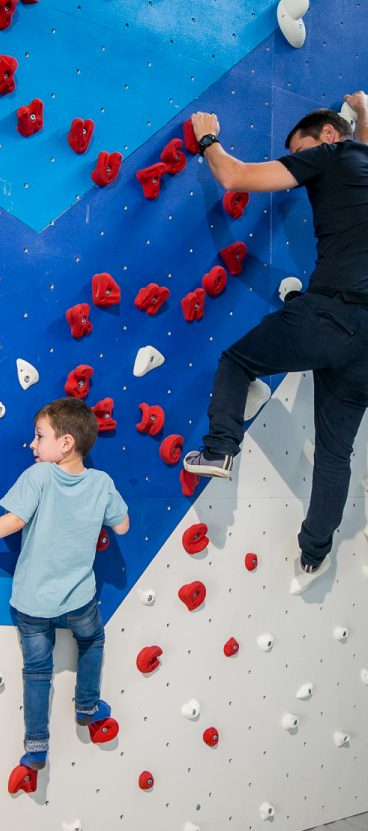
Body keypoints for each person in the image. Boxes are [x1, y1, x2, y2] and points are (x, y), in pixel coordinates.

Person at [182, 91, 368, 593]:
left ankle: (219, 449)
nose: (300, 158)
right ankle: (314, 555)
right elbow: (362, 147)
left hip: (331, 312)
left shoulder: (331, 156)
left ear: (327, 137)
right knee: (335, 455)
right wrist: (365, 114)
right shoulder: (361, 158)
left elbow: (235, 176)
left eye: (301, 147)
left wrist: (208, 138)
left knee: (238, 360)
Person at [0, 397, 129, 771]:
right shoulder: (101, 483)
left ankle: (36, 745)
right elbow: (122, 526)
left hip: (33, 602)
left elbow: (12, 521)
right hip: (79, 602)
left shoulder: (39, 476)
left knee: (37, 671)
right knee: (92, 640)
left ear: (66, 443)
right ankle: (87, 706)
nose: (32, 445)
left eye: (40, 437)